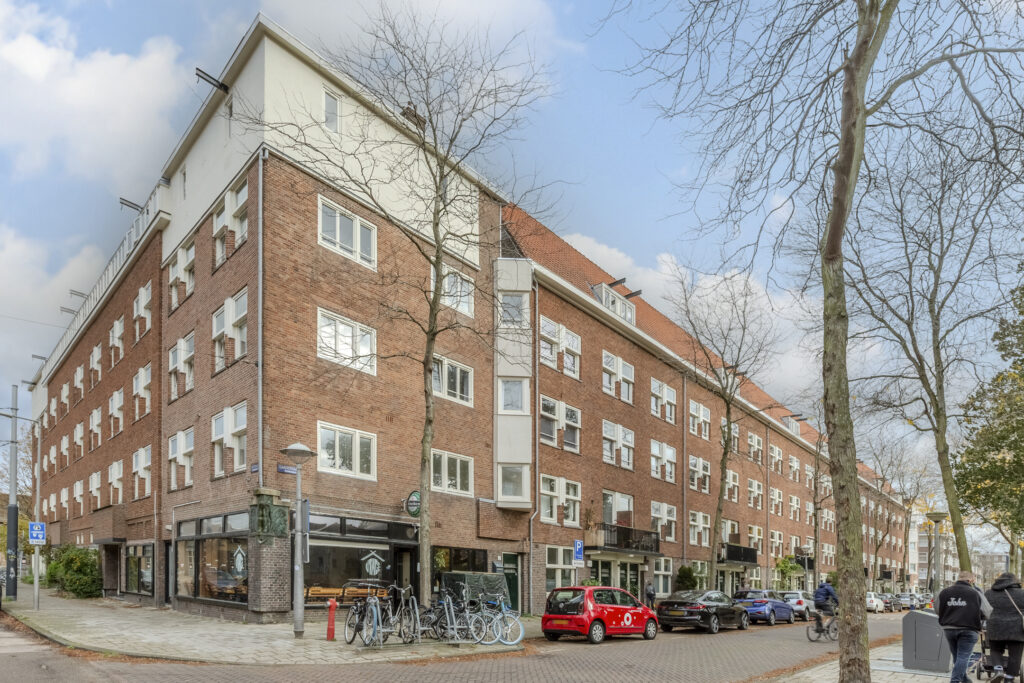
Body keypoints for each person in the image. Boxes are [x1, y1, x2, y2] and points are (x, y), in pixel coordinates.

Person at [937, 571, 984, 683]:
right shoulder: (975, 593)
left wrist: (949, 615)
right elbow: (986, 611)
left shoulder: (944, 592)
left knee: (957, 657)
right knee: (963, 657)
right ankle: (955, 681)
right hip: (969, 629)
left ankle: (965, 680)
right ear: (971, 580)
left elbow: (937, 609)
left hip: (949, 628)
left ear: (958, 579)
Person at [984, 572, 1024, 683]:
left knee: (995, 650)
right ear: (1015, 582)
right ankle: (1009, 679)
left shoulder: (989, 593)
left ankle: (998, 670)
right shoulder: (1022, 593)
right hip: (1017, 629)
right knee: (1015, 654)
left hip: (995, 627)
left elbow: (984, 609)